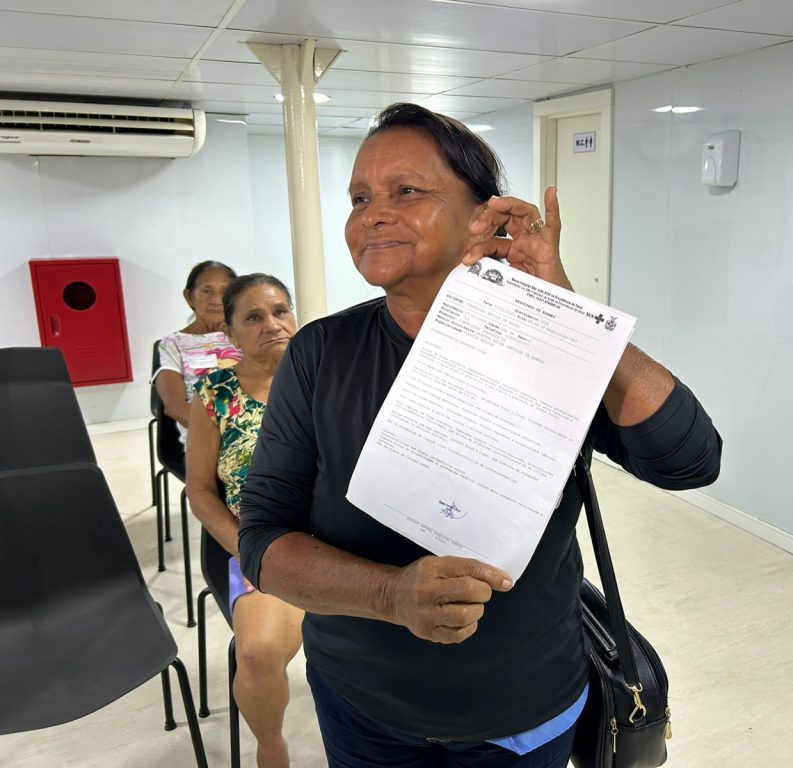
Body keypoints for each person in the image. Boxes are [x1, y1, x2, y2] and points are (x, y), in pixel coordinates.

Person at [239, 103, 722, 768]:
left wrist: (569, 312)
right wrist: (390, 594)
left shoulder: (548, 342)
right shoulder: (322, 353)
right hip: (363, 702)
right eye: (359, 197)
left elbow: (689, 459)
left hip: (523, 708)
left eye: (406, 190)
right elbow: (262, 539)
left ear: (482, 214)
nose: (372, 213)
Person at [185, 273, 304, 768]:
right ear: (230, 334)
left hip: (339, 538)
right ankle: (270, 746)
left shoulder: (324, 379)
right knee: (255, 656)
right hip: (260, 542)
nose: (272, 324)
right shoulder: (214, 394)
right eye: (253, 317)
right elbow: (199, 491)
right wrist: (247, 547)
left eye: (280, 311)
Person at [153, 261, 242, 443]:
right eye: (207, 291)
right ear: (189, 297)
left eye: (224, 292)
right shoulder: (173, 344)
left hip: (258, 435)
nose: (217, 300)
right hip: (205, 441)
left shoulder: (247, 335)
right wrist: (229, 437)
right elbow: (175, 406)